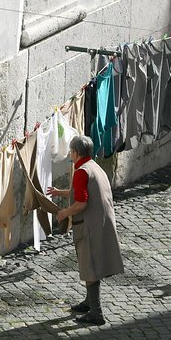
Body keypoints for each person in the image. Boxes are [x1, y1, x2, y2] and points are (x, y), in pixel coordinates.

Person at [47, 135, 124, 325]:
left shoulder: (81, 172)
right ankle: (89, 302)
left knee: (90, 266)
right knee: (93, 264)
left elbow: (81, 203)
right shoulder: (94, 167)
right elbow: (81, 191)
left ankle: (96, 313)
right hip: (102, 222)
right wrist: (60, 192)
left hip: (90, 226)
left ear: (76, 152)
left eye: (71, 152)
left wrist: (64, 212)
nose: (70, 155)